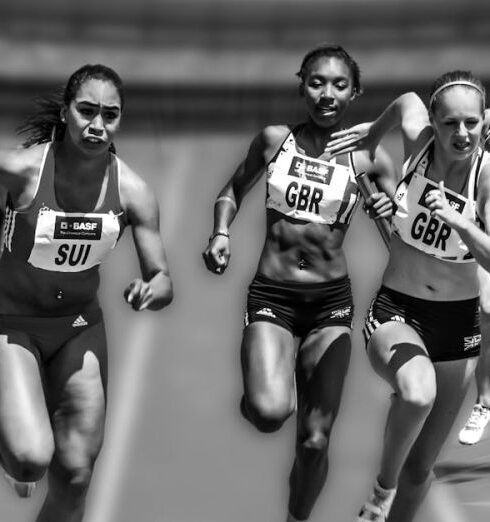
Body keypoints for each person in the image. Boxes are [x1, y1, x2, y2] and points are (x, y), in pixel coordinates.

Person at [202, 43, 395, 522]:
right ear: (302, 85)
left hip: (331, 304)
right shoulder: (274, 140)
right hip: (274, 297)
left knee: (314, 441)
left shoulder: (370, 158)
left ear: (355, 94)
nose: (326, 94)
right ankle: (261, 388)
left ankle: (296, 518)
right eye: (316, 82)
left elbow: (404, 240)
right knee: (269, 413)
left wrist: (388, 216)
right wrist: (221, 232)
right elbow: (231, 191)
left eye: (339, 85)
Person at [0, 64, 173, 521]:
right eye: (87, 111)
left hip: (78, 329)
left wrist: (152, 289)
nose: (98, 125)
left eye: (110, 115)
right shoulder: (22, 170)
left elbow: (162, 276)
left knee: (76, 474)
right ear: (65, 112)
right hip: (10, 324)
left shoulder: (134, 192)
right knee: (29, 459)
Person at [325, 70, 490, 522]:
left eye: (472, 124)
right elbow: (405, 100)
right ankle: (381, 490)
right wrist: (371, 135)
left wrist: (461, 223)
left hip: (457, 325)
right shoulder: (418, 145)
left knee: (421, 471)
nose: (462, 133)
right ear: (432, 123)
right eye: (451, 123)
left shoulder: (486, 175)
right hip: (398, 310)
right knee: (417, 395)